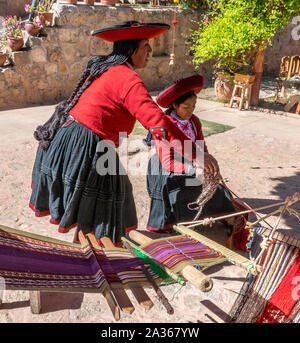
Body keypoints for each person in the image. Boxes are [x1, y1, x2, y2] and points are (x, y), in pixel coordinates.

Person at [29, 21, 203, 247]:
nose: (150, 51)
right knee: (109, 205)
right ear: (131, 49)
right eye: (145, 46)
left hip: (79, 141)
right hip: (85, 146)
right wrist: (198, 156)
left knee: (111, 201)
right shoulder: (126, 78)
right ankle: (100, 256)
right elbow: (157, 123)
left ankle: (93, 253)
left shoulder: (112, 70)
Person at [144, 75, 248, 249]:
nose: (191, 110)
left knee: (216, 187)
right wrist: (194, 169)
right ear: (174, 105)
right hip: (166, 167)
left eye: (194, 106)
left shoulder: (194, 122)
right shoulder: (164, 124)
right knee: (179, 192)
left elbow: (202, 150)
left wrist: (209, 167)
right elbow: (168, 162)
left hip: (193, 162)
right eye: (186, 107)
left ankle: (227, 220)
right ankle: (180, 227)